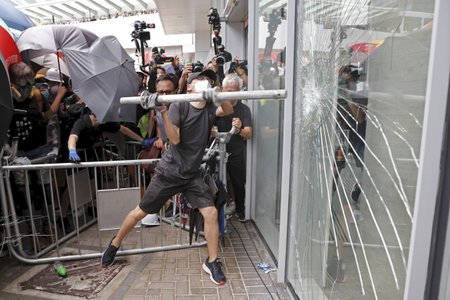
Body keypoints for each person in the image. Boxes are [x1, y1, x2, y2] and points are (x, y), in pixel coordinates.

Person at [101, 69, 233, 286]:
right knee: (140, 212)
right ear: (189, 87)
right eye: (198, 80)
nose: (204, 82)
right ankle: (114, 244)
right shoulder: (180, 105)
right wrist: (162, 111)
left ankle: (212, 261)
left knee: (210, 213)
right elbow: (175, 139)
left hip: (192, 174)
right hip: (170, 172)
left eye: (206, 80)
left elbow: (227, 109)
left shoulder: (210, 106)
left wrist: (220, 95)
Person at [214, 74, 252, 221]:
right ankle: (218, 211)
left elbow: (248, 133)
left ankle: (240, 209)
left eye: (234, 91)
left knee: (238, 182)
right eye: (228, 90)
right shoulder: (216, 106)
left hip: (236, 152)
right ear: (222, 89)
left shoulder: (243, 109)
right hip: (217, 151)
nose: (231, 94)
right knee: (216, 181)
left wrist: (239, 130)